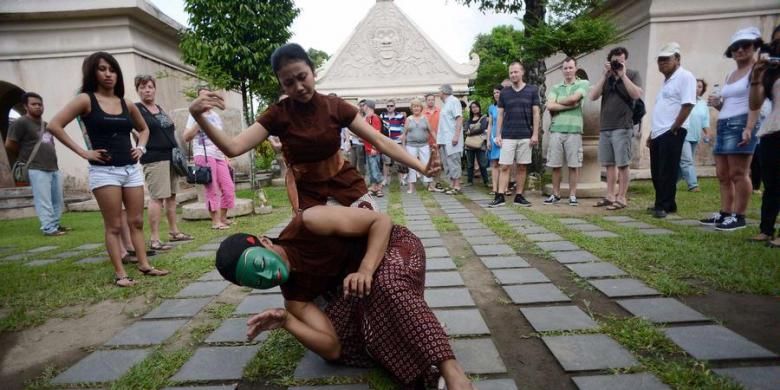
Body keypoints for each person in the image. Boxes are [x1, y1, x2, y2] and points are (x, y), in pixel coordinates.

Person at [214, 205, 474, 390]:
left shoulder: (309, 222)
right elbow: (333, 348)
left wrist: (366, 269)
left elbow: (381, 221)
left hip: (392, 247)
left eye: (259, 263)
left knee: (385, 284)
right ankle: (419, 326)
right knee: (359, 340)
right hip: (361, 287)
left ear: (264, 242)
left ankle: (452, 372)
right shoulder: (294, 300)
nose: (267, 275)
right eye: (256, 281)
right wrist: (287, 322)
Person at [188, 43, 438, 212]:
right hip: (306, 190)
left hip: (344, 181)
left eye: (302, 77)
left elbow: (380, 140)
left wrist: (420, 167)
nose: (297, 87)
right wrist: (198, 116)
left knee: (371, 228)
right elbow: (233, 147)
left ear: (313, 72)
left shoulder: (335, 106)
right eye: (288, 82)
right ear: (281, 85)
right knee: (317, 254)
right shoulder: (277, 115)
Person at [47, 51, 169, 286]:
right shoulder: (85, 100)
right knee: (113, 225)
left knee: (136, 221)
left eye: (112, 69)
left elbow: (144, 130)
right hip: (104, 171)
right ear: (92, 72)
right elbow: (54, 125)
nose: (108, 74)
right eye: (102, 69)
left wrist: (141, 148)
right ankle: (121, 273)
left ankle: (144, 264)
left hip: (130, 169)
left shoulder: (126, 103)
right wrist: (84, 152)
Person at [700, 27, 763, 231]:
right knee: (723, 173)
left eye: (745, 46)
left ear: (754, 47)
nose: (740, 50)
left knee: (739, 172)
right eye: (736, 46)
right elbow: (727, 104)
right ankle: (725, 212)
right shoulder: (730, 74)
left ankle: (740, 215)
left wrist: (749, 127)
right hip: (724, 122)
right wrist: (717, 103)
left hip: (743, 122)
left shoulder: (756, 70)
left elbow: (756, 102)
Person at [134, 74, 193, 248]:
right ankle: (154, 239)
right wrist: (139, 145)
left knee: (172, 197)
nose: (147, 90)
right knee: (157, 198)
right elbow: (134, 131)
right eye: (143, 87)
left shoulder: (158, 108)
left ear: (154, 89)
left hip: (171, 158)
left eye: (150, 87)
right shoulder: (137, 109)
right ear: (137, 90)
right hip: (154, 158)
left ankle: (174, 231)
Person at [5, 92, 69, 236]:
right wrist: (24, 156)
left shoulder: (46, 125)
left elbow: (49, 143)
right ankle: (48, 228)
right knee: (43, 199)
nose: (38, 107)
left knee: (57, 199)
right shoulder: (20, 123)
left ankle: (56, 225)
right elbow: (10, 144)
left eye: (40, 104)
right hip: (36, 167)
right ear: (26, 106)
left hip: (53, 167)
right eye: (34, 104)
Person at [588, 47, 644, 210]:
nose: (618, 63)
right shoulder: (606, 77)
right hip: (605, 126)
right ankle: (610, 195)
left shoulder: (633, 74)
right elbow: (592, 96)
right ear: (609, 60)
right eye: (615, 60)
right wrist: (605, 75)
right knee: (609, 164)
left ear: (625, 60)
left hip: (623, 126)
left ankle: (622, 197)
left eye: (621, 60)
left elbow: (636, 94)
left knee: (623, 164)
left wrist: (623, 75)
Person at [647, 43, 697, 219]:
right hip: (658, 131)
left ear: (677, 59)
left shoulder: (685, 77)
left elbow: (688, 103)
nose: (662, 63)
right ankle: (664, 202)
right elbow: (662, 108)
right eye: (660, 60)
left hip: (672, 130)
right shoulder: (666, 82)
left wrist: (676, 126)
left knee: (667, 170)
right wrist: (651, 133)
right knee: (656, 169)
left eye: (666, 59)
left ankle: (664, 205)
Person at [183, 87, 236, 230]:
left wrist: (226, 156)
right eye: (202, 97)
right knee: (212, 189)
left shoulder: (216, 116)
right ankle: (215, 221)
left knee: (228, 187)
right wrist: (200, 120)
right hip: (204, 154)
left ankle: (223, 218)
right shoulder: (194, 115)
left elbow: (220, 138)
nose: (205, 99)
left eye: (207, 95)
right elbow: (186, 137)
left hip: (219, 155)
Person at [490, 61, 541, 207]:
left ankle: (519, 196)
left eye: (516, 72)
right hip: (507, 135)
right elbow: (500, 115)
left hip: (525, 134)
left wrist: (535, 134)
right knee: (504, 166)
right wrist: (498, 135)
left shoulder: (532, 90)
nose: (513, 74)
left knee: (522, 167)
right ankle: (499, 196)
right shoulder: (505, 92)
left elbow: (536, 113)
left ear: (522, 72)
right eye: (511, 72)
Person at [748, 25, 780, 246]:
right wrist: (758, 75)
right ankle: (766, 229)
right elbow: (756, 103)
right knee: (771, 183)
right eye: (775, 42)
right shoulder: (772, 72)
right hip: (772, 129)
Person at [544, 57, 590, 206]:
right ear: (562, 70)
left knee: (573, 164)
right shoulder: (556, 87)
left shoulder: (583, 83)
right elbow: (550, 106)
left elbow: (575, 98)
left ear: (576, 68)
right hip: (556, 129)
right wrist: (570, 105)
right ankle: (555, 194)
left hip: (574, 130)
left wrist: (559, 102)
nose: (568, 71)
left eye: (570, 67)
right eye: (565, 68)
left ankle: (572, 195)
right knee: (555, 164)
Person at [679, 79, 711, 192]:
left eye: (700, 87)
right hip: (683, 134)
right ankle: (693, 185)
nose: (697, 89)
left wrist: (707, 133)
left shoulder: (703, 104)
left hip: (695, 136)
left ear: (702, 89)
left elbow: (705, 121)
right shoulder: (683, 100)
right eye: (695, 86)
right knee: (686, 161)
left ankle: (671, 182)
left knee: (684, 160)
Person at [436, 84, 464, 195]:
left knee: (453, 161)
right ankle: (452, 184)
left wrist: (456, 135)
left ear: (444, 92)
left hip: (452, 138)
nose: (438, 94)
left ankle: (457, 185)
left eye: (439, 91)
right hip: (444, 139)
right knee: (447, 162)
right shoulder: (445, 104)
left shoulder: (454, 101)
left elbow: (459, 118)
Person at [402, 98, 433, 194]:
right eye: (414, 106)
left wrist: (437, 142)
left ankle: (429, 185)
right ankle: (411, 187)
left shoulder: (425, 118)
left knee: (426, 164)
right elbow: (404, 134)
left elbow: (431, 131)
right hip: (411, 145)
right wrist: (403, 147)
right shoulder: (408, 119)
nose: (416, 108)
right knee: (412, 165)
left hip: (424, 145)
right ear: (411, 108)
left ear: (421, 108)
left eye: (418, 106)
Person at [380, 99, 407, 186]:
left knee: (399, 161)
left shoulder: (400, 116)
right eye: (388, 106)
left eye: (391, 106)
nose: (389, 107)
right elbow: (379, 129)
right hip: (386, 142)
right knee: (386, 162)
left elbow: (404, 130)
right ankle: (385, 180)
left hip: (397, 142)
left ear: (394, 107)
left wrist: (403, 144)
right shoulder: (382, 116)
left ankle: (402, 179)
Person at [464, 101, 489, 188]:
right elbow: (465, 130)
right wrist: (472, 131)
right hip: (470, 145)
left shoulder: (483, 118)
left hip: (480, 144)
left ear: (479, 107)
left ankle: (486, 181)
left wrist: (470, 132)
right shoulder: (468, 120)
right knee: (470, 164)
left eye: (476, 107)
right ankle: (470, 181)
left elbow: (482, 129)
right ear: (470, 109)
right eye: (472, 107)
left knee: (482, 163)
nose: (474, 108)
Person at [363, 100, 385, 197]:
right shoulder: (367, 118)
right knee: (371, 169)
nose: (363, 107)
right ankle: (373, 187)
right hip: (368, 148)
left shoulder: (373, 118)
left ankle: (379, 188)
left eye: (364, 105)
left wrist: (374, 147)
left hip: (372, 149)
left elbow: (376, 134)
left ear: (367, 106)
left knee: (375, 168)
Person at [487, 85, 503, 196]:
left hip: (504, 136)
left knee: (504, 163)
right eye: (494, 93)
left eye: (498, 92)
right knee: (494, 163)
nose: (496, 94)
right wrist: (488, 140)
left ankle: (504, 188)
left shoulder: (507, 106)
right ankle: (494, 188)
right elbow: (490, 124)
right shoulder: (491, 107)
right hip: (493, 136)